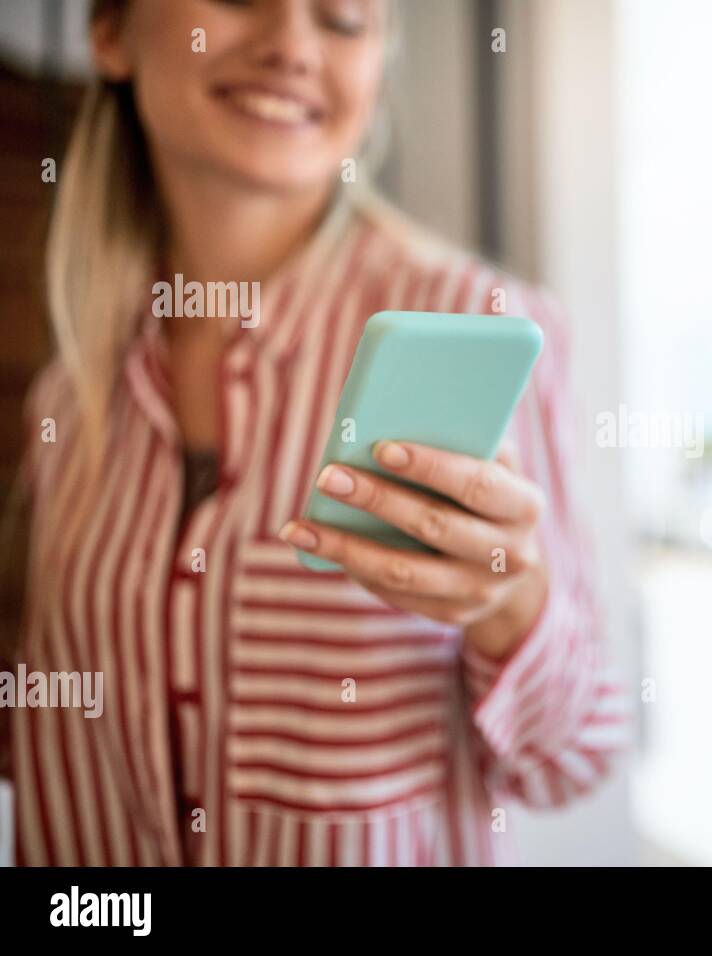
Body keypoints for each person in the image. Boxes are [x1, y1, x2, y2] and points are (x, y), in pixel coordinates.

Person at [4, 0, 622, 866]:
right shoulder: (66, 399)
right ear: (110, 31)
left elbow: (580, 754)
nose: (292, 45)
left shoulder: (469, 324)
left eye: (342, 17)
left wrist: (514, 609)